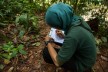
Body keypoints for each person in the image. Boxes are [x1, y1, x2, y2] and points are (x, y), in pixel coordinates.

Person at [43, 2, 96, 72]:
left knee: (46, 52)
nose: (54, 27)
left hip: (83, 63)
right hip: (85, 56)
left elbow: (57, 62)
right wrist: (64, 36)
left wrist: (48, 42)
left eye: (54, 25)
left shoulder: (73, 35)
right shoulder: (77, 20)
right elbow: (77, 39)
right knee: (55, 41)